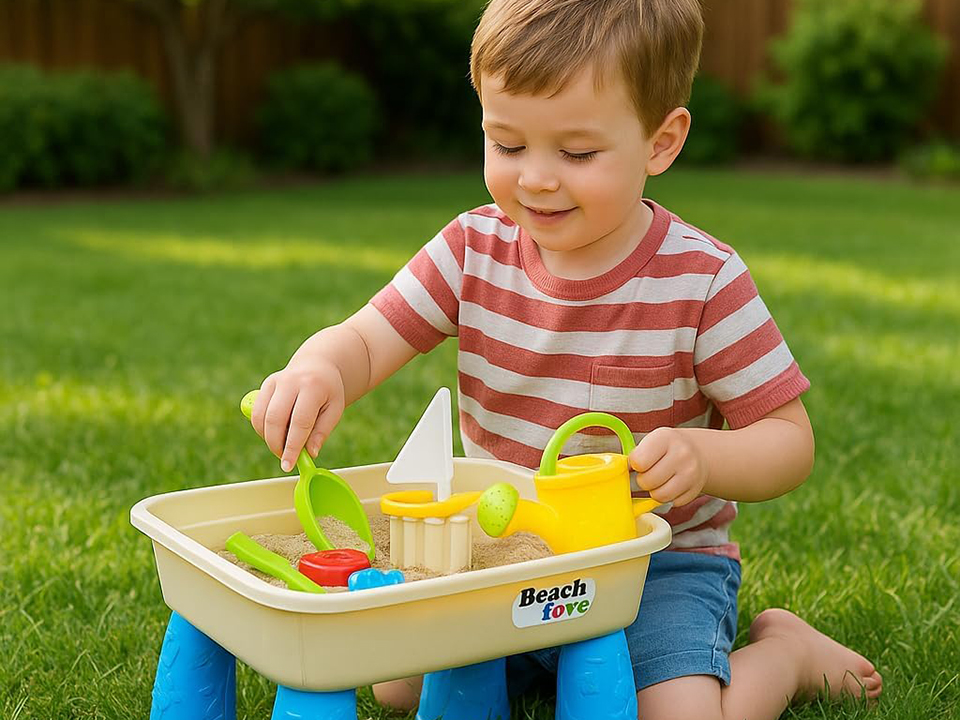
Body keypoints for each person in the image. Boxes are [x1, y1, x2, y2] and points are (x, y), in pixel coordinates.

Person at [248, 0, 883, 717]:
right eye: (508, 145)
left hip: (651, 566)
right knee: (400, 687)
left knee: (678, 717)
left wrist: (704, 458)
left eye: (576, 153)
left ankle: (784, 653)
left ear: (660, 142)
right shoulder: (471, 251)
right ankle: (553, 666)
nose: (537, 179)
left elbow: (789, 443)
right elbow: (366, 338)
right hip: (501, 555)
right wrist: (319, 367)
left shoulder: (704, 280)